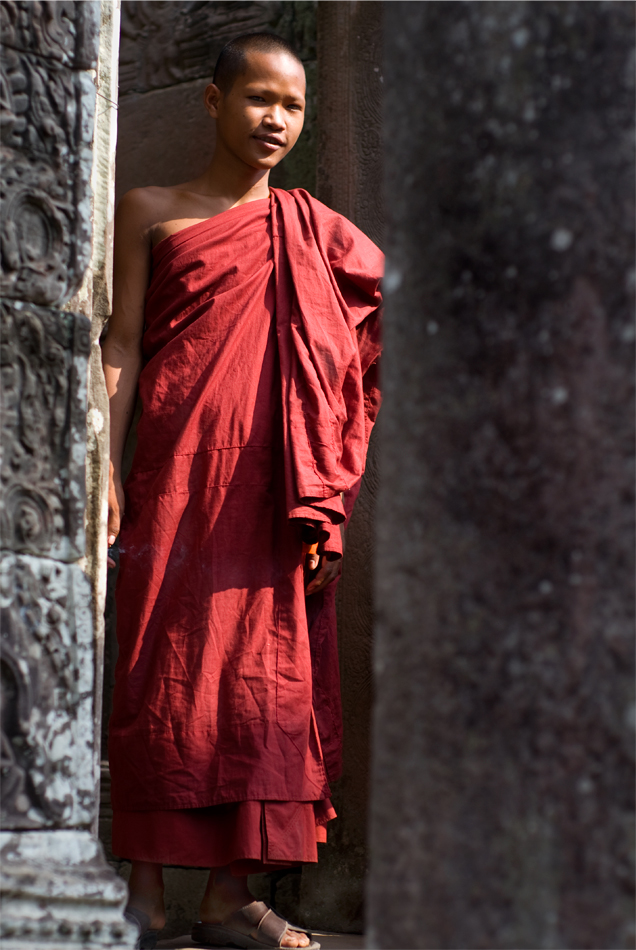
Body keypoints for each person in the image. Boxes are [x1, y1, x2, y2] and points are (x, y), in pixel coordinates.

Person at [103, 32, 382, 950]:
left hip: (275, 489)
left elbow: (373, 325)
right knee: (161, 675)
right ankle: (141, 897)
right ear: (214, 101)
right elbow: (123, 347)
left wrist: (326, 476)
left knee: (265, 683)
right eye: (259, 98)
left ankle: (228, 899)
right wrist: (102, 463)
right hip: (176, 475)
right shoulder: (153, 211)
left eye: (293, 107)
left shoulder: (311, 231)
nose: (277, 121)